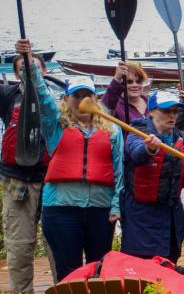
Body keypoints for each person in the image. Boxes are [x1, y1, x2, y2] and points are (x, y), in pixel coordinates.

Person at [26, 65, 124, 282]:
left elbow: (119, 172)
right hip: (61, 209)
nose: (81, 101)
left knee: (97, 271)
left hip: (100, 210)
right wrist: (31, 65)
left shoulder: (112, 129)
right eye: (76, 96)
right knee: (68, 272)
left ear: (95, 99)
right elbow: (42, 97)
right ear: (66, 99)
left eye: (87, 96)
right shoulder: (56, 125)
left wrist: (117, 204)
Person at [122, 91, 184, 263]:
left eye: (175, 111)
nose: (172, 116)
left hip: (171, 211)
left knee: (170, 259)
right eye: (166, 111)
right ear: (151, 111)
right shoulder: (137, 132)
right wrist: (149, 149)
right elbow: (136, 153)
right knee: (143, 263)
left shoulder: (182, 138)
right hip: (141, 213)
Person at [0, 50, 51, 294]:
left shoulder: (58, 100)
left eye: (33, 67)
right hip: (16, 182)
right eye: (22, 68)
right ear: (16, 74)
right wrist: (20, 52)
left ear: (44, 72)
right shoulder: (9, 96)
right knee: (19, 244)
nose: (28, 72)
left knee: (56, 243)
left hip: (53, 182)